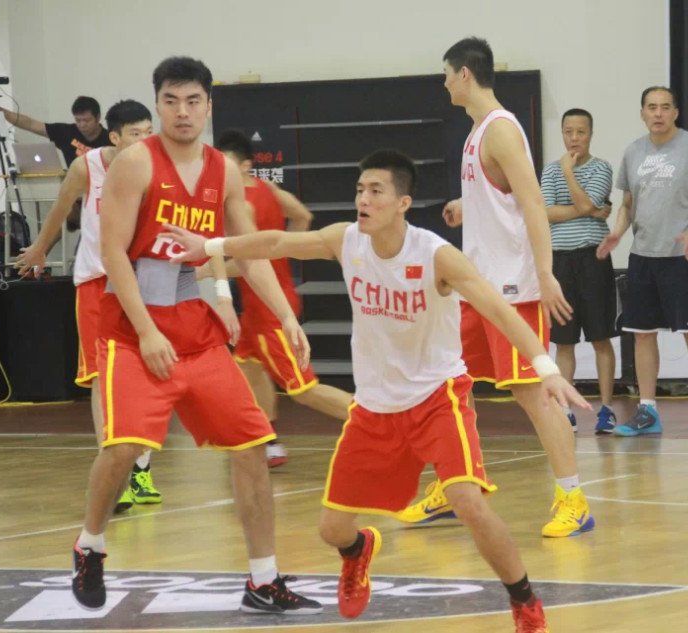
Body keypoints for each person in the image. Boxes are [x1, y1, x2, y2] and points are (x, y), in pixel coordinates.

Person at [163, 149, 586, 632]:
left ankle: (524, 602)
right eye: (360, 190)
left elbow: (500, 311)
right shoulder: (346, 240)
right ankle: (359, 549)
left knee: (467, 500)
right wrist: (211, 245)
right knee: (332, 530)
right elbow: (277, 241)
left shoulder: (436, 256)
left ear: (402, 203)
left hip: (438, 397)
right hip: (375, 408)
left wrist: (546, 368)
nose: (363, 199)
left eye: (375, 191)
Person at [68, 56, 320, 617]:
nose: (182, 112)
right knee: (123, 447)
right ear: (158, 104)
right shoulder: (135, 164)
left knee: (252, 448)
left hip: (197, 335)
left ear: (208, 105)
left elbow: (247, 252)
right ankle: (90, 544)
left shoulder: (222, 171)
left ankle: (263, 579)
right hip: (134, 333)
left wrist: (285, 316)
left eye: (193, 101)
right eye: (171, 101)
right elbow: (113, 254)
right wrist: (146, 331)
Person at [400, 36, 593, 539]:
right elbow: (502, 197)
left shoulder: (501, 129)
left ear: (464, 74)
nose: (444, 84)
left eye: (447, 75)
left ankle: (573, 499)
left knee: (535, 395)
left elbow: (532, 202)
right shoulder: (476, 131)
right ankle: (456, 486)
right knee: (449, 387)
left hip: (513, 289)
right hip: (477, 288)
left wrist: (545, 273)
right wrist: (467, 206)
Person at [14, 100, 161, 512]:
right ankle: (113, 471)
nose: (144, 141)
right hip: (97, 283)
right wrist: (40, 248)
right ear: (114, 137)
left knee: (149, 373)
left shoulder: (156, 168)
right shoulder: (88, 167)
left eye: (148, 132)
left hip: (144, 282)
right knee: (102, 376)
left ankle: (141, 468)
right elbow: (61, 207)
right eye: (136, 134)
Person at [210, 130, 353, 466]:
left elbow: (247, 261)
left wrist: (205, 272)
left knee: (303, 389)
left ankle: (379, 422)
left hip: (268, 307)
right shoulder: (269, 190)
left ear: (245, 166)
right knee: (248, 368)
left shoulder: (241, 205)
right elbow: (302, 215)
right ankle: (268, 440)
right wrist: (285, 253)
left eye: (227, 164)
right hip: (263, 304)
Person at [596, 86, 688, 437]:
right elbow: (627, 203)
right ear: (642, 113)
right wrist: (618, 232)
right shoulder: (634, 151)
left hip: (682, 256)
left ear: (675, 112)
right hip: (643, 256)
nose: (658, 113)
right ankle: (647, 411)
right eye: (652, 107)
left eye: (665, 107)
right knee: (642, 334)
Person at [541, 107, 617, 434]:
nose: (574, 138)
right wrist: (588, 210)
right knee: (564, 341)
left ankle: (607, 409)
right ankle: (565, 411)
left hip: (593, 259)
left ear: (590, 134)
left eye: (581, 132)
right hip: (560, 261)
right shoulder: (549, 170)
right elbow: (547, 213)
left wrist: (569, 174)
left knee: (600, 337)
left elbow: (587, 203)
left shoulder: (601, 168)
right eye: (568, 132)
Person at [0, 96, 112, 167]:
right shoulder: (66, 132)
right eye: (78, 120)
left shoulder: (111, 139)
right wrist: (1, 112)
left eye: (87, 120)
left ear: (98, 117)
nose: (82, 125)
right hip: (74, 190)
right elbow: (31, 124)